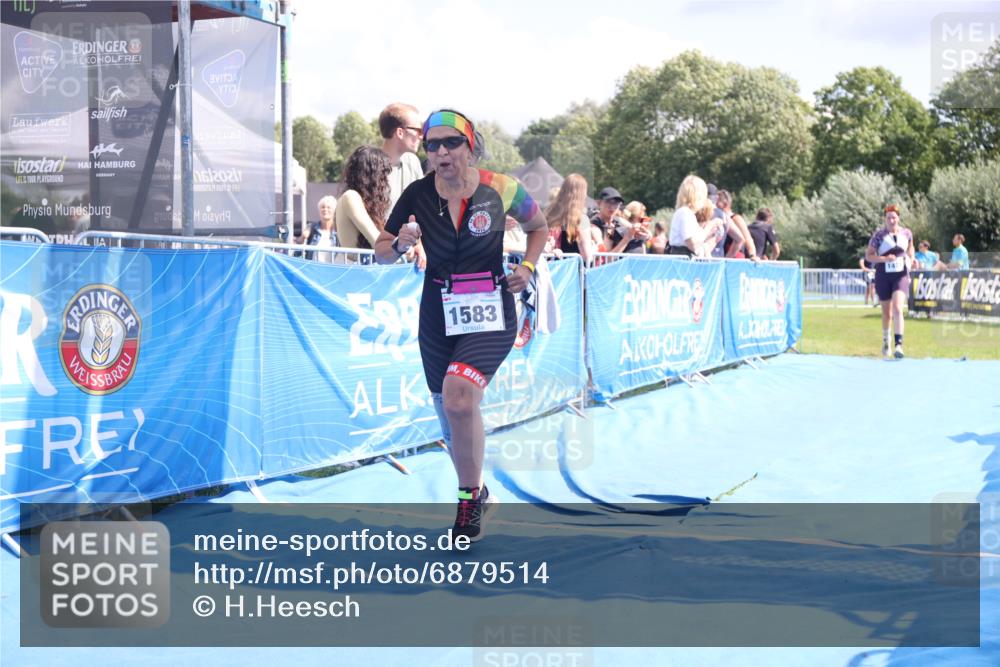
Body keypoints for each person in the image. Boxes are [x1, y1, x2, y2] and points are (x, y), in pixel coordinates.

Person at [373, 109, 549, 541]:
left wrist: (527, 265)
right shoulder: (416, 193)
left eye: (451, 143)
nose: (441, 152)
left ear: (470, 147)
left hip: (491, 306)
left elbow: (539, 226)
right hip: (437, 309)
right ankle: (480, 493)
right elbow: (380, 250)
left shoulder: (502, 187)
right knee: (450, 410)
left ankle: (468, 501)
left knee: (459, 395)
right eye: (432, 145)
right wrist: (399, 243)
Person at [864, 204, 915, 359]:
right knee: (887, 312)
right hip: (883, 275)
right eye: (888, 218)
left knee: (898, 308)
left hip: (901, 274)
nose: (891, 220)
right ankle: (886, 340)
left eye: (894, 217)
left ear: (898, 218)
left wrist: (912, 260)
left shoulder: (907, 233)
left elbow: (910, 249)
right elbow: (869, 256)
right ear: (885, 219)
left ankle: (899, 345)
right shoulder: (879, 236)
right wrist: (884, 258)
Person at [379, 102, 425, 214]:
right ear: (400, 132)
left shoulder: (412, 162)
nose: (421, 136)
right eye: (418, 130)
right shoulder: (367, 167)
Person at [546, 174, 597, 263]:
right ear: (582, 194)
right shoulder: (581, 219)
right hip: (573, 272)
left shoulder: (549, 215)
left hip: (551, 270)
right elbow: (587, 255)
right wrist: (594, 248)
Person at [668, 175, 720, 256]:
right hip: (683, 263)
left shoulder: (686, 213)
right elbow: (693, 244)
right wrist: (710, 225)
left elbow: (696, 242)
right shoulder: (685, 213)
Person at [716, 190, 755, 259]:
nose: (714, 204)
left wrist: (752, 255)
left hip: (735, 260)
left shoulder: (736, 219)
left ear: (725, 204)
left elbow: (748, 239)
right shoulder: (717, 218)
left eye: (717, 201)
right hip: (722, 258)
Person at [302, 195, 338, 262]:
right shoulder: (311, 227)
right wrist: (303, 237)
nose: (325, 209)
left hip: (333, 270)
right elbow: (298, 245)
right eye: (322, 207)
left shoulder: (339, 231)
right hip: (313, 269)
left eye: (328, 207)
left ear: (334, 211)